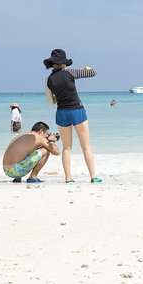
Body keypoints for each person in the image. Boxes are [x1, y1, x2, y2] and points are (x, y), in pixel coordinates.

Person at [44, 48, 102, 183]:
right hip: (77, 111)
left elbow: (50, 102)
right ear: (64, 63)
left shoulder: (49, 79)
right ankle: (93, 176)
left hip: (61, 113)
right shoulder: (70, 73)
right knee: (86, 146)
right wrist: (87, 68)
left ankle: (68, 178)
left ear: (52, 63)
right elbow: (92, 72)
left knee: (67, 147)